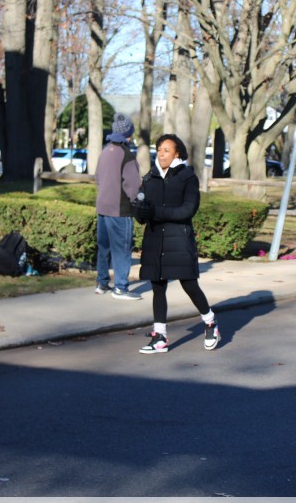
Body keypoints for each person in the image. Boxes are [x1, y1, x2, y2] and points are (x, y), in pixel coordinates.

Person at [134, 134, 220, 354]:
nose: (161, 154)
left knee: (189, 284)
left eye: (166, 150)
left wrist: (156, 212)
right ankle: (160, 336)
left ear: (177, 153)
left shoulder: (187, 177)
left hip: (179, 240)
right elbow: (143, 213)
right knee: (157, 286)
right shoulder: (150, 177)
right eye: (159, 150)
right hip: (155, 239)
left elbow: (187, 211)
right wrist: (140, 212)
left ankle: (210, 322)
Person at [94, 113, 142, 300]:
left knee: (104, 247)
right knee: (122, 249)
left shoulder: (105, 152)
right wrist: (139, 200)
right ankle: (121, 287)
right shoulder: (127, 155)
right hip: (120, 209)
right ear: (128, 134)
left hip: (102, 207)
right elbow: (132, 186)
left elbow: (98, 178)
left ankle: (102, 283)